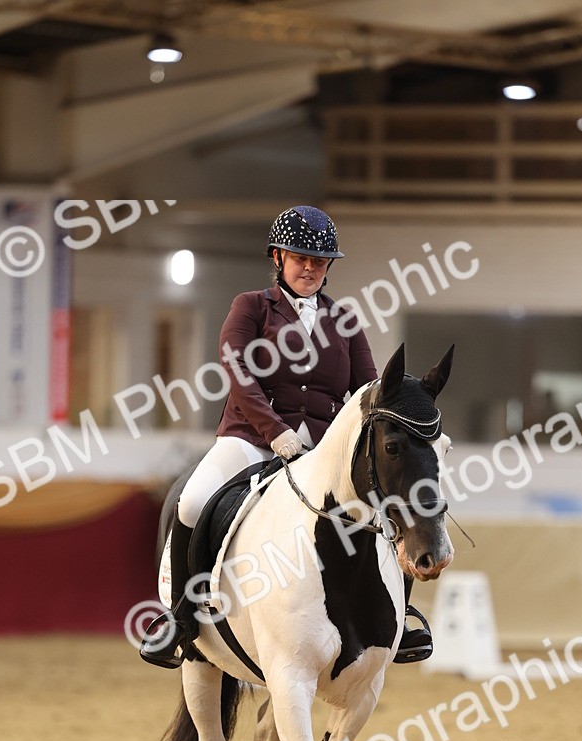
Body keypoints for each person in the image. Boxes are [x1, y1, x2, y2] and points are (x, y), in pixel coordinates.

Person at [144, 204, 432, 667]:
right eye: (302, 258)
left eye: (320, 262)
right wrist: (274, 432)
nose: (311, 269)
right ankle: (181, 620)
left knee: (386, 503)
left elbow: (367, 392)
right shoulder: (251, 308)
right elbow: (240, 373)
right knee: (193, 502)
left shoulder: (345, 322)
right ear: (278, 257)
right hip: (249, 439)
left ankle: (397, 616)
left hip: (321, 450)